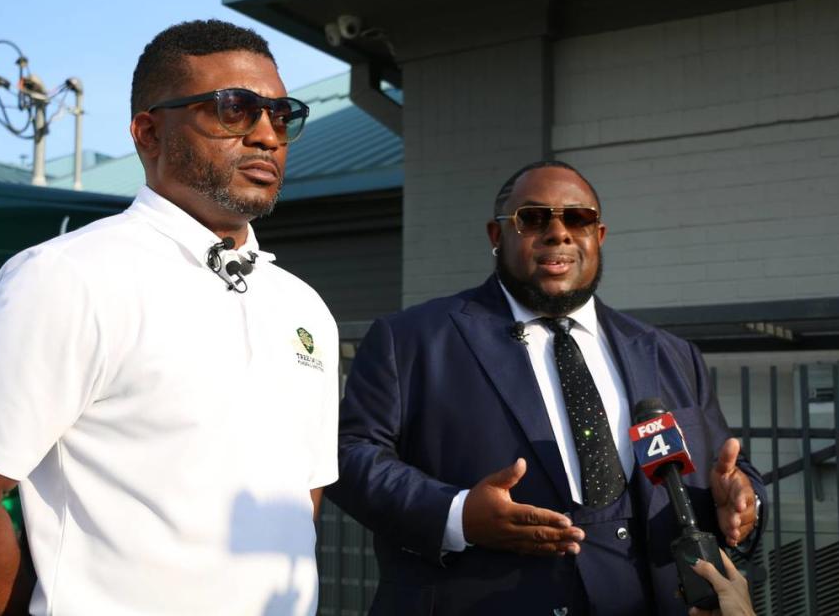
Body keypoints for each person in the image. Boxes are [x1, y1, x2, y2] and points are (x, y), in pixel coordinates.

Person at [0, 20, 338, 616]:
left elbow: (301, 498)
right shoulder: (69, 277)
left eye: (281, 114)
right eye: (234, 109)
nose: (268, 134)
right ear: (148, 132)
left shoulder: (303, 307)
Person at [325, 160, 767, 615]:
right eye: (534, 219)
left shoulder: (669, 353)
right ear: (498, 237)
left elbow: (729, 470)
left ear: (599, 236)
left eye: (578, 219)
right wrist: (457, 514)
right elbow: (349, 453)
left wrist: (743, 498)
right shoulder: (412, 340)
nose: (559, 233)